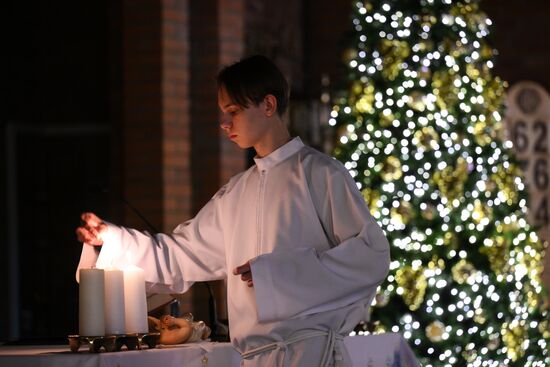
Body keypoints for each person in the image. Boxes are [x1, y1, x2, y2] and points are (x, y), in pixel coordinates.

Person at [76, 54, 390, 366]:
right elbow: (181, 254)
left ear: (268, 105)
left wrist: (276, 273)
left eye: (234, 111)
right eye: (223, 112)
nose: (224, 123)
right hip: (253, 359)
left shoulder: (320, 174)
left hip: (310, 354)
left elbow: (370, 256)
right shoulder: (236, 192)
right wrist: (114, 238)